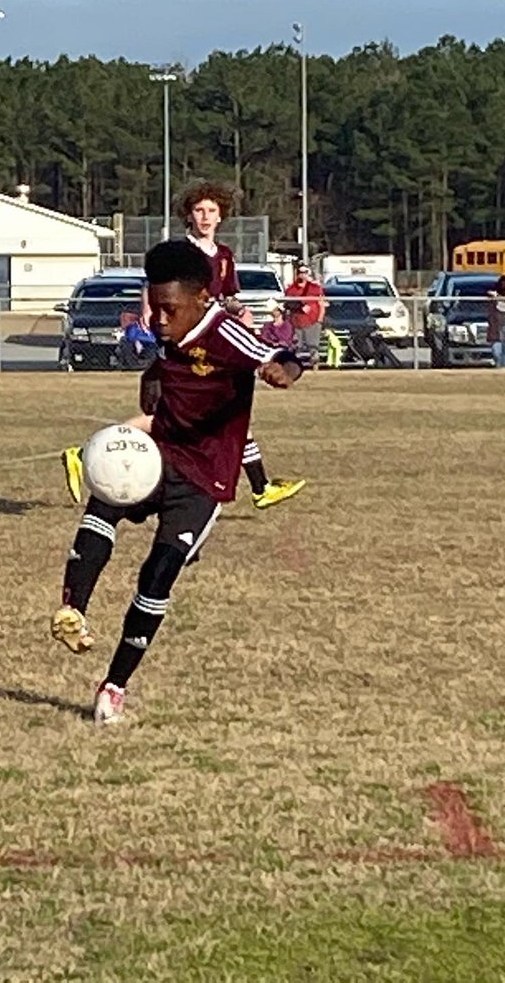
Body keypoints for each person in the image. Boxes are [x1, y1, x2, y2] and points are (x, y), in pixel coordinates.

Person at [50, 239, 303, 725]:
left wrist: (283, 371)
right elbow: (166, 360)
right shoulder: (169, 329)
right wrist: (152, 374)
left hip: (204, 478)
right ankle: (72, 610)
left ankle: (113, 686)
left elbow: (284, 352)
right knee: (105, 497)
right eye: (154, 307)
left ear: (201, 300)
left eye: (169, 310)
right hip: (161, 456)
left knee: (157, 575)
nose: (160, 320)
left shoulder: (227, 335)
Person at [62, 182, 304, 511]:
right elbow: (157, 287)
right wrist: (152, 316)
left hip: (214, 339)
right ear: (188, 215)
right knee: (177, 415)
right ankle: (91, 450)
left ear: (221, 217)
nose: (205, 217)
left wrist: (238, 313)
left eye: (212, 211)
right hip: (183, 340)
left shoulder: (224, 256)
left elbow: (225, 299)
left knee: (222, 411)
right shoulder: (181, 252)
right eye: (199, 210)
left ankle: (259, 487)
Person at [285, 262, 326, 367]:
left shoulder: (315, 288)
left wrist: (320, 319)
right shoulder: (291, 289)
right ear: (297, 273)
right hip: (296, 321)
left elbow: (321, 303)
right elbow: (288, 304)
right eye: (300, 272)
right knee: (295, 345)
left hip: (312, 321)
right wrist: (300, 307)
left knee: (313, 346)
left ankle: (315, 365)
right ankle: (293, 365)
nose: (303, 274)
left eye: (305, 272)